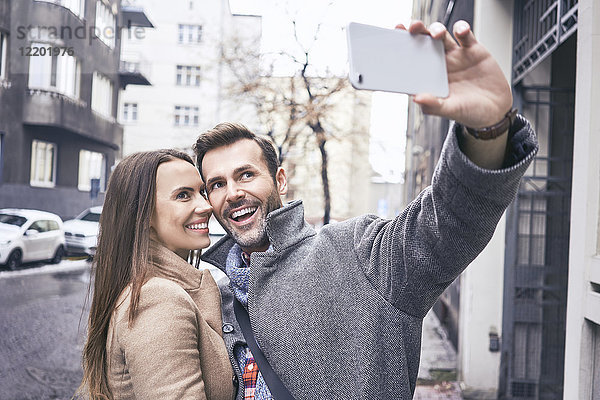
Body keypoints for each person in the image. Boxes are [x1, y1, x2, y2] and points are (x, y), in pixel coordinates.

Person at [194, 20, 538, 400]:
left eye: (245, 174)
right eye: (217, 184)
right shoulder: (214, 298)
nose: (233, 193)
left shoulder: (357, 251)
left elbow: (449, 222)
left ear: (280, 181)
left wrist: (489, 130)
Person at [78, 149, 234, 400]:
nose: (206, 206)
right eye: (183, 195)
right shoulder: (159, 299)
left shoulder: (154, 287)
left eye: (202, 192)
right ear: (143, 215)